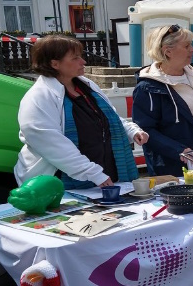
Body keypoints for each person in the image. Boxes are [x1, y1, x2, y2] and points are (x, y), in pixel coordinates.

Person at [15, 35, 149, 189]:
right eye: (75, 58)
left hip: (103, 176)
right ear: (55, 63)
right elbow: (51, 143)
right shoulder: (38, 97)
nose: (83, 62)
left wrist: (132, 131)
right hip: (60, 183)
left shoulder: (87, 86)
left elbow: (110, 118)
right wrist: (92, 172)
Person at [132, 24, 193, 177]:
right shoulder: (147, 88)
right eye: (187, 46)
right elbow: (145, 130)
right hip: (173, 166)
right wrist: (178, 150)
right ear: (168, 51)